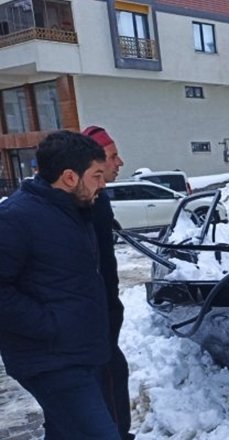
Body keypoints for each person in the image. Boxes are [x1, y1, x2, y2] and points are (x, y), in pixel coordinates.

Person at [0, 131, 120, 439]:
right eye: (96, 175)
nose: (103, 183)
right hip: (50, 360)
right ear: (69, 177)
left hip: (80, 353)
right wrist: (50, 324)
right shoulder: (17, 217)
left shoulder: (73, 211)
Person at [83, 125, 134, 440]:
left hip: (100, 323)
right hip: (92, 328)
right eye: (112, 156)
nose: (120, 162)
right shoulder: (85, 203)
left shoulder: (96, 200)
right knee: (108, 384)